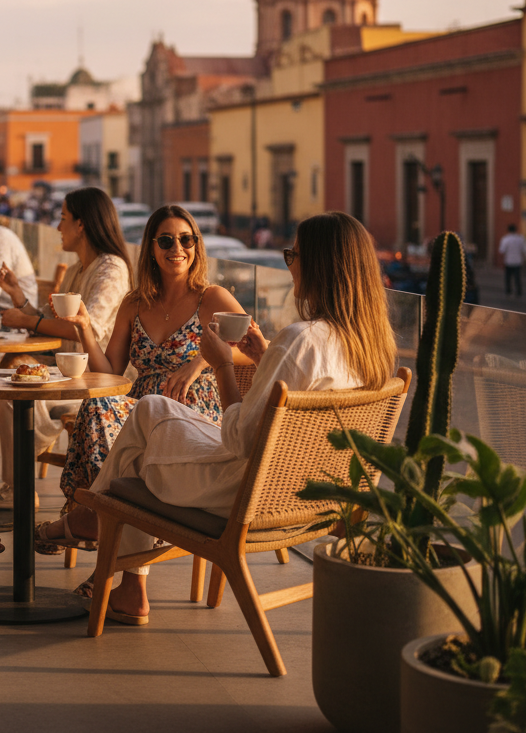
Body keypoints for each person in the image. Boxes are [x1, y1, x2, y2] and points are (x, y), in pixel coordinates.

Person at [40, 211, 396, 624]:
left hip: (242, 494)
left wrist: (222, 366)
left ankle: (94, 519)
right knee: (149, 409)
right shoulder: (370, 348)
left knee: (142, 430)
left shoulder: (300, 340)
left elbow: (239, 440)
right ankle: (114, 555)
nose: (289, 264)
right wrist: (264, 359)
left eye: (293, 255)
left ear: (318, 264)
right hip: (306, 496)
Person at [35, 204, 246, 592]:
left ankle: (92, 523)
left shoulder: (211, 297)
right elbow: (111, 372)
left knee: (108, 417)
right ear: (150, 247)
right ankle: (104, 530)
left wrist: (199, 363)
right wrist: (83, 326)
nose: (177, 248)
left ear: (197, 246)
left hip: (192, 414)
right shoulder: (135, 303)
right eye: (166, 240)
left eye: (186, 239)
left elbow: (254, 344)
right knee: (98, 405)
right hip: (137, 409)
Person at [0, 187, 133, 510]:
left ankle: (17, 487)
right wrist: (18, 295)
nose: (58, 227)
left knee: (10, 390)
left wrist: (26, 321)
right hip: (67, 371)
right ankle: (18, 477)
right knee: (5, 377)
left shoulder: (111, 270)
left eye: (63, 219)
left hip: (96, 379)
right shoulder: (79, 270)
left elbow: (82, 329)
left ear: (82, 225)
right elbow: (51, 321)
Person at [498, 223, 526, 298]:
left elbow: (502, 251)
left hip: (508, 261)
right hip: (518, 261)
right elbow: (524, 250)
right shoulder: (520, 239)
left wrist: (501, 262)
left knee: (508, 278)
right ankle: (518, 291)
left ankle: (508, 291)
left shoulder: (505, 239)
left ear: (508, 230)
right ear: (516, 230)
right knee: (517, 277)